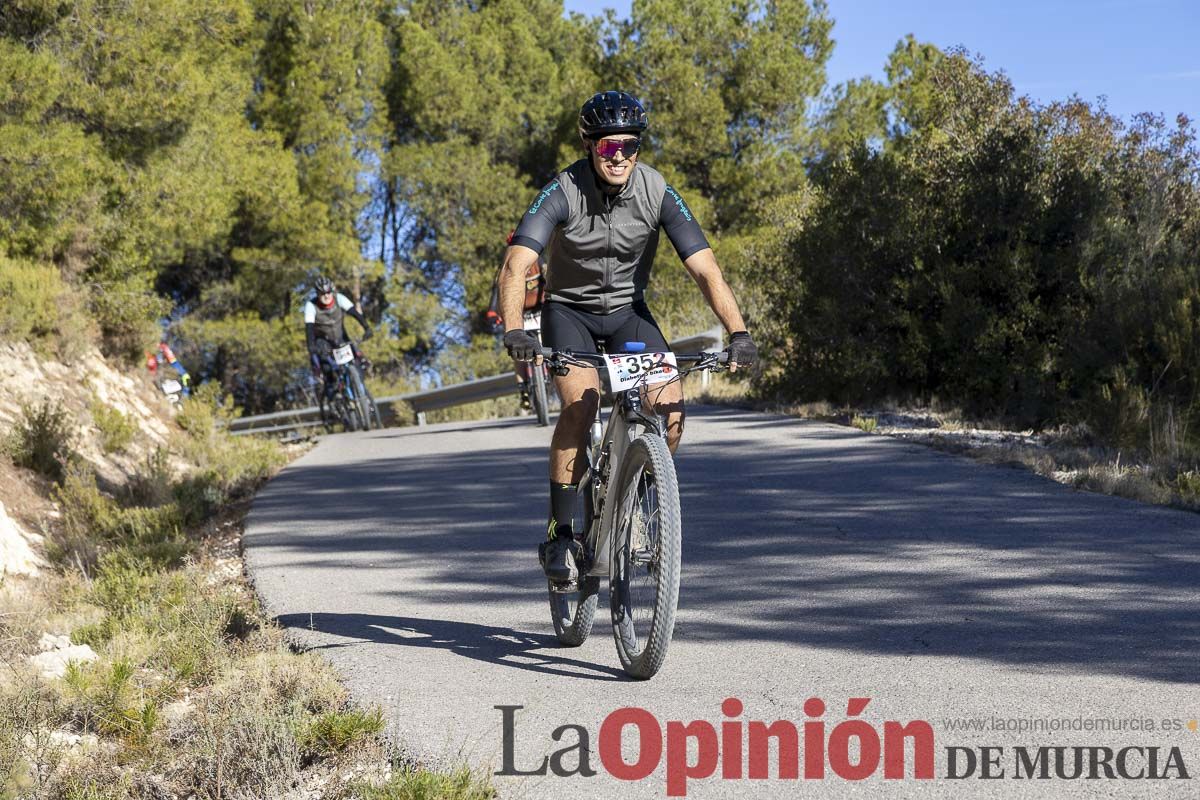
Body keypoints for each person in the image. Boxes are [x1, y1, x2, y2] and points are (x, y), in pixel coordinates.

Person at [498, 90, 758, 585]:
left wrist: (739, 331)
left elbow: (706, 270)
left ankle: (636, 490)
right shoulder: (563, 190)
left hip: (626, 315)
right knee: (581, 406)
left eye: (629, 147)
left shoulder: (657, 190)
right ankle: (560, 531)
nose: (619, 157)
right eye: (607, 148)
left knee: (672, 414)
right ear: (589, 146)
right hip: (568, 312)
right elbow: (516, 263)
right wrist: (514, 328)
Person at [304, 276, 373, 401]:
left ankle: (362, 395)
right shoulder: (311, 306)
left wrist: (367, 328)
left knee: (357, 364)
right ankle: (334, 397)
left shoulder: (339, 299)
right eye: (322, 293)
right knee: (328, 369)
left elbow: (355, 314)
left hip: (341, 337)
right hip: (323, 341)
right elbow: (308, 329)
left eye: (328, 292)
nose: (326, 296)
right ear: (318, 294)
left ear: (332, 291)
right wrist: (311, 347)